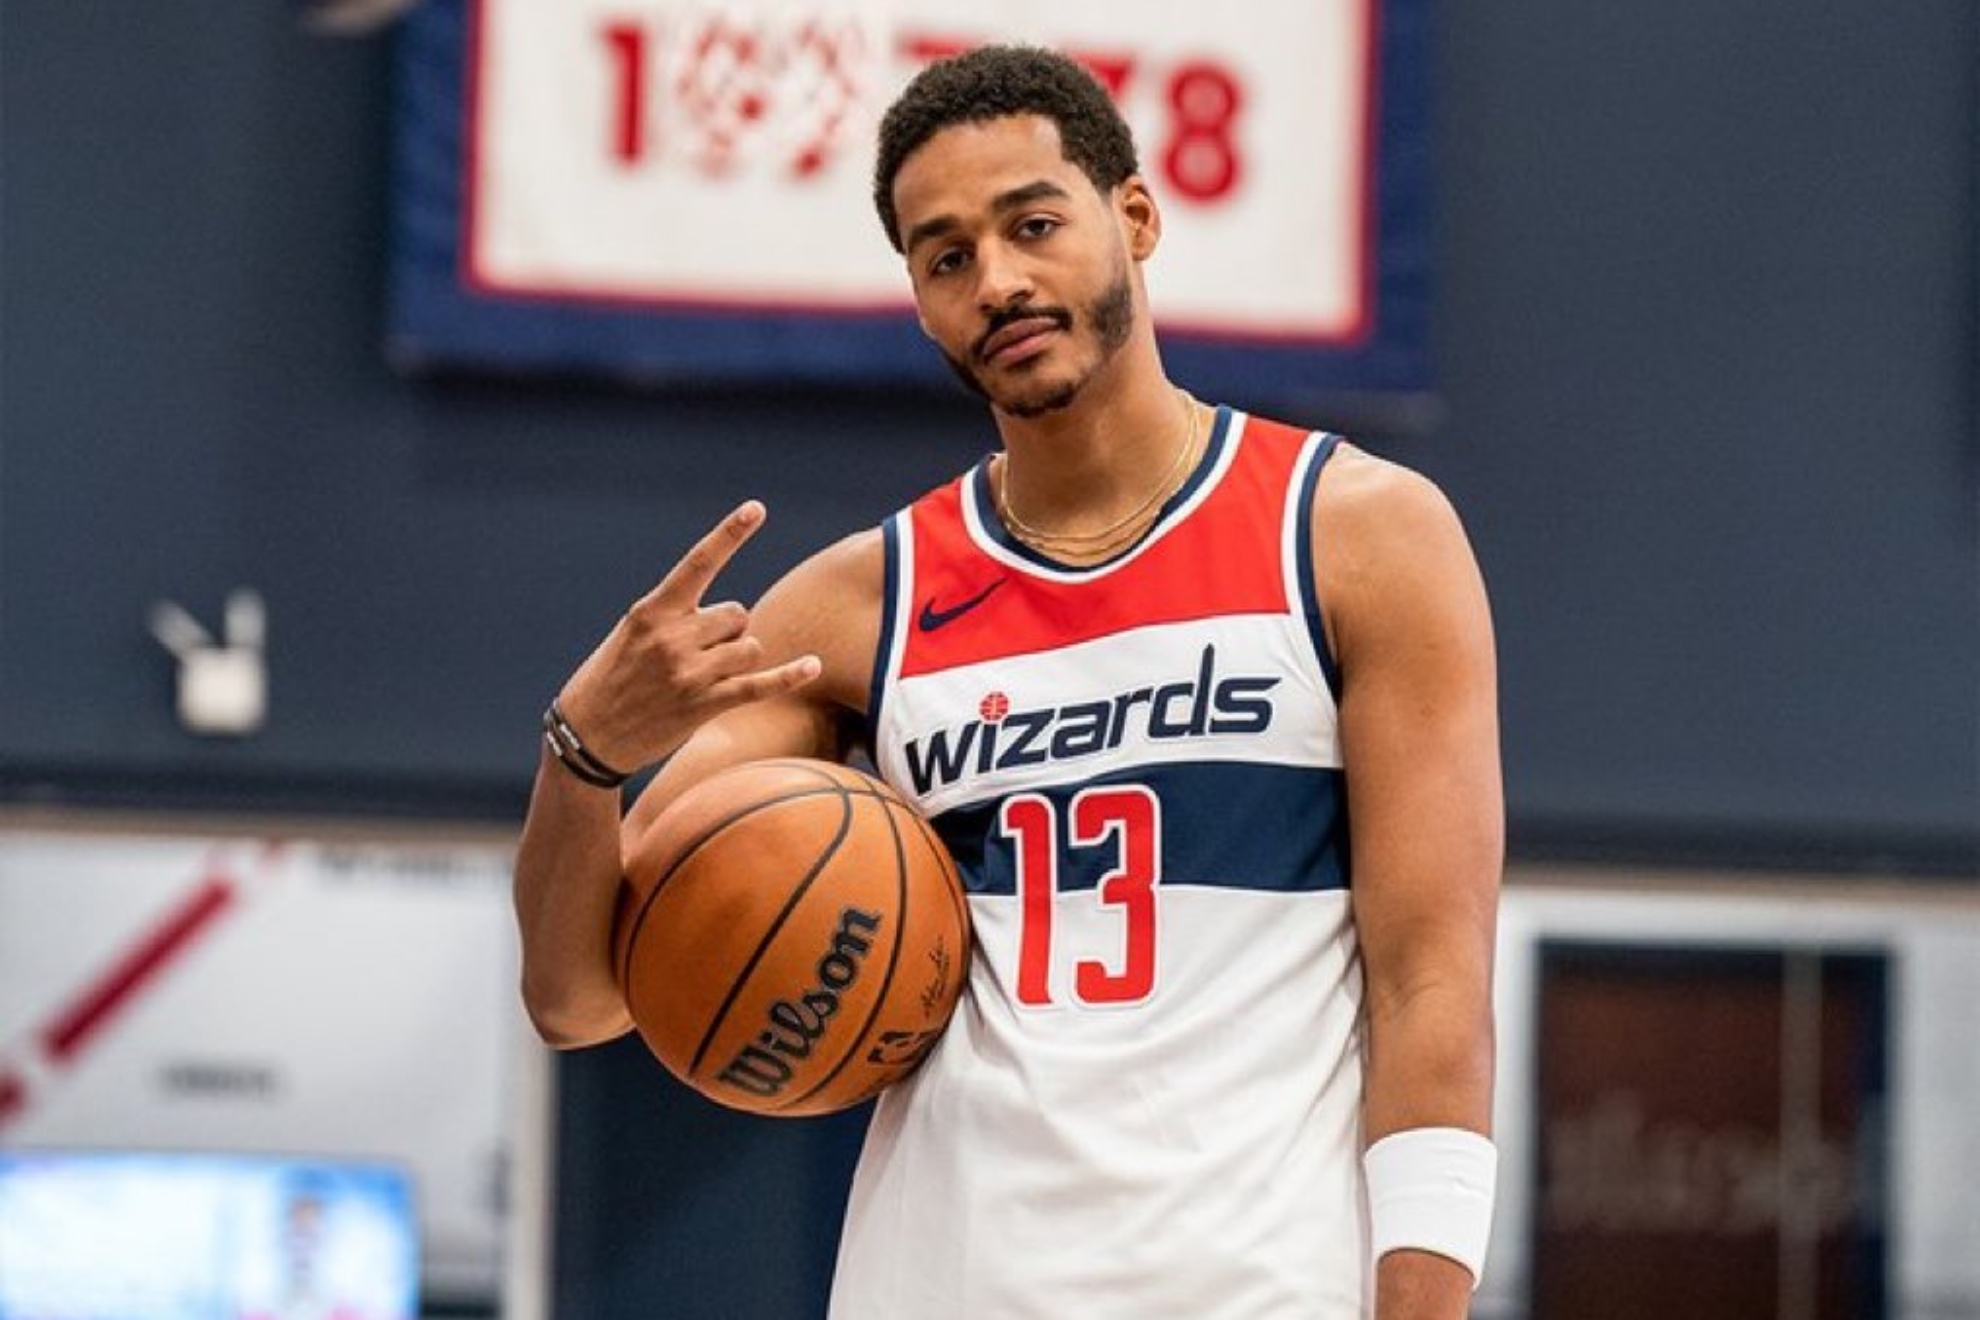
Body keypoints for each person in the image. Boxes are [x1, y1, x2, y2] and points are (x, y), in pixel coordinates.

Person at [514, 44, 1502, 1320]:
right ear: (920, 302)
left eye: (1032, 223)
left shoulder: (1358, 534)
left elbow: (1435, 984)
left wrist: (1420, 1301)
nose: (999, 280)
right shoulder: (862, 604)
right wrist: (583, 754)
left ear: (1134, 218)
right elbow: (579, 997)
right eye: (946, 257)